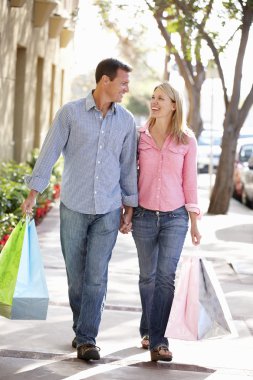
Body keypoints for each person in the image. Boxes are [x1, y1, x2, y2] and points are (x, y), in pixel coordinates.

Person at [21, 58, 138, 361]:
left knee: (96, 275)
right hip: (74, 206)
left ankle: (87, 337)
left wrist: (130, 207)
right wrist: (33, 195)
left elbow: (128, 168)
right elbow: (49, 154)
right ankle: (80, 327)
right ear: (105, 81)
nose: (127, 88)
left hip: (108, 210)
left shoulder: (126, 121)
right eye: (123, 82)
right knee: (76, 275)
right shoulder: (70, 114)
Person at [132, 82, 201, 362]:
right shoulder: (139, 137)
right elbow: (129, 177)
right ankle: (148, 329)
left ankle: (159, 341)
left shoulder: (187, 140)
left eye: (161, 98)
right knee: (148, 278)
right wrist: (126, 210)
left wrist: (195, 222)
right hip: (144, 216)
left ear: (174, 105)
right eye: (153, 97)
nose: (154, 102)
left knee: (165, 279)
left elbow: (190, 183)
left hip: (175, 218)